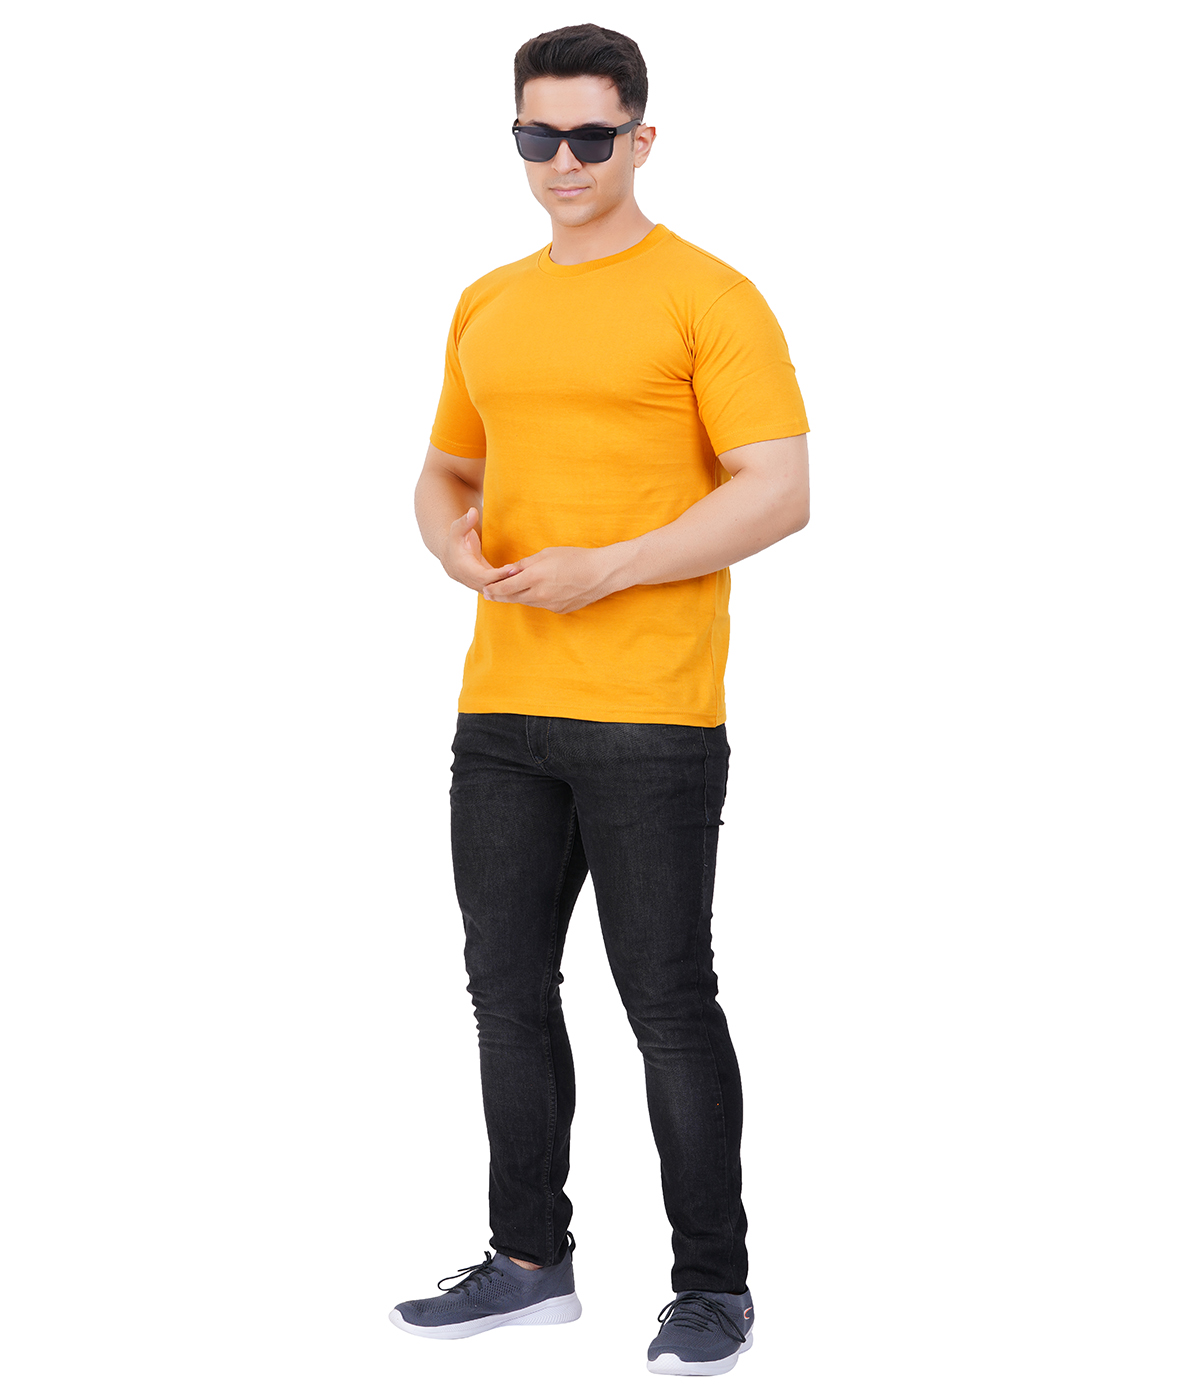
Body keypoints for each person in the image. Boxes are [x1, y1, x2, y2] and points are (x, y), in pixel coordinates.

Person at [388, 23, 809, 1378]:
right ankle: (529, 1264)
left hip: (651, 716)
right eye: (537, 134)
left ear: (641, 137)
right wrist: (450, 547)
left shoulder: (708, 296)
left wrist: (609, 568)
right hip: (501, 709)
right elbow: (447, 470)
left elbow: (779, 490)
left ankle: (713, 1288)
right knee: (505, 994)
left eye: (588, 135)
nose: (562, 160)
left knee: (667, 1001)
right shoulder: (488, 299)